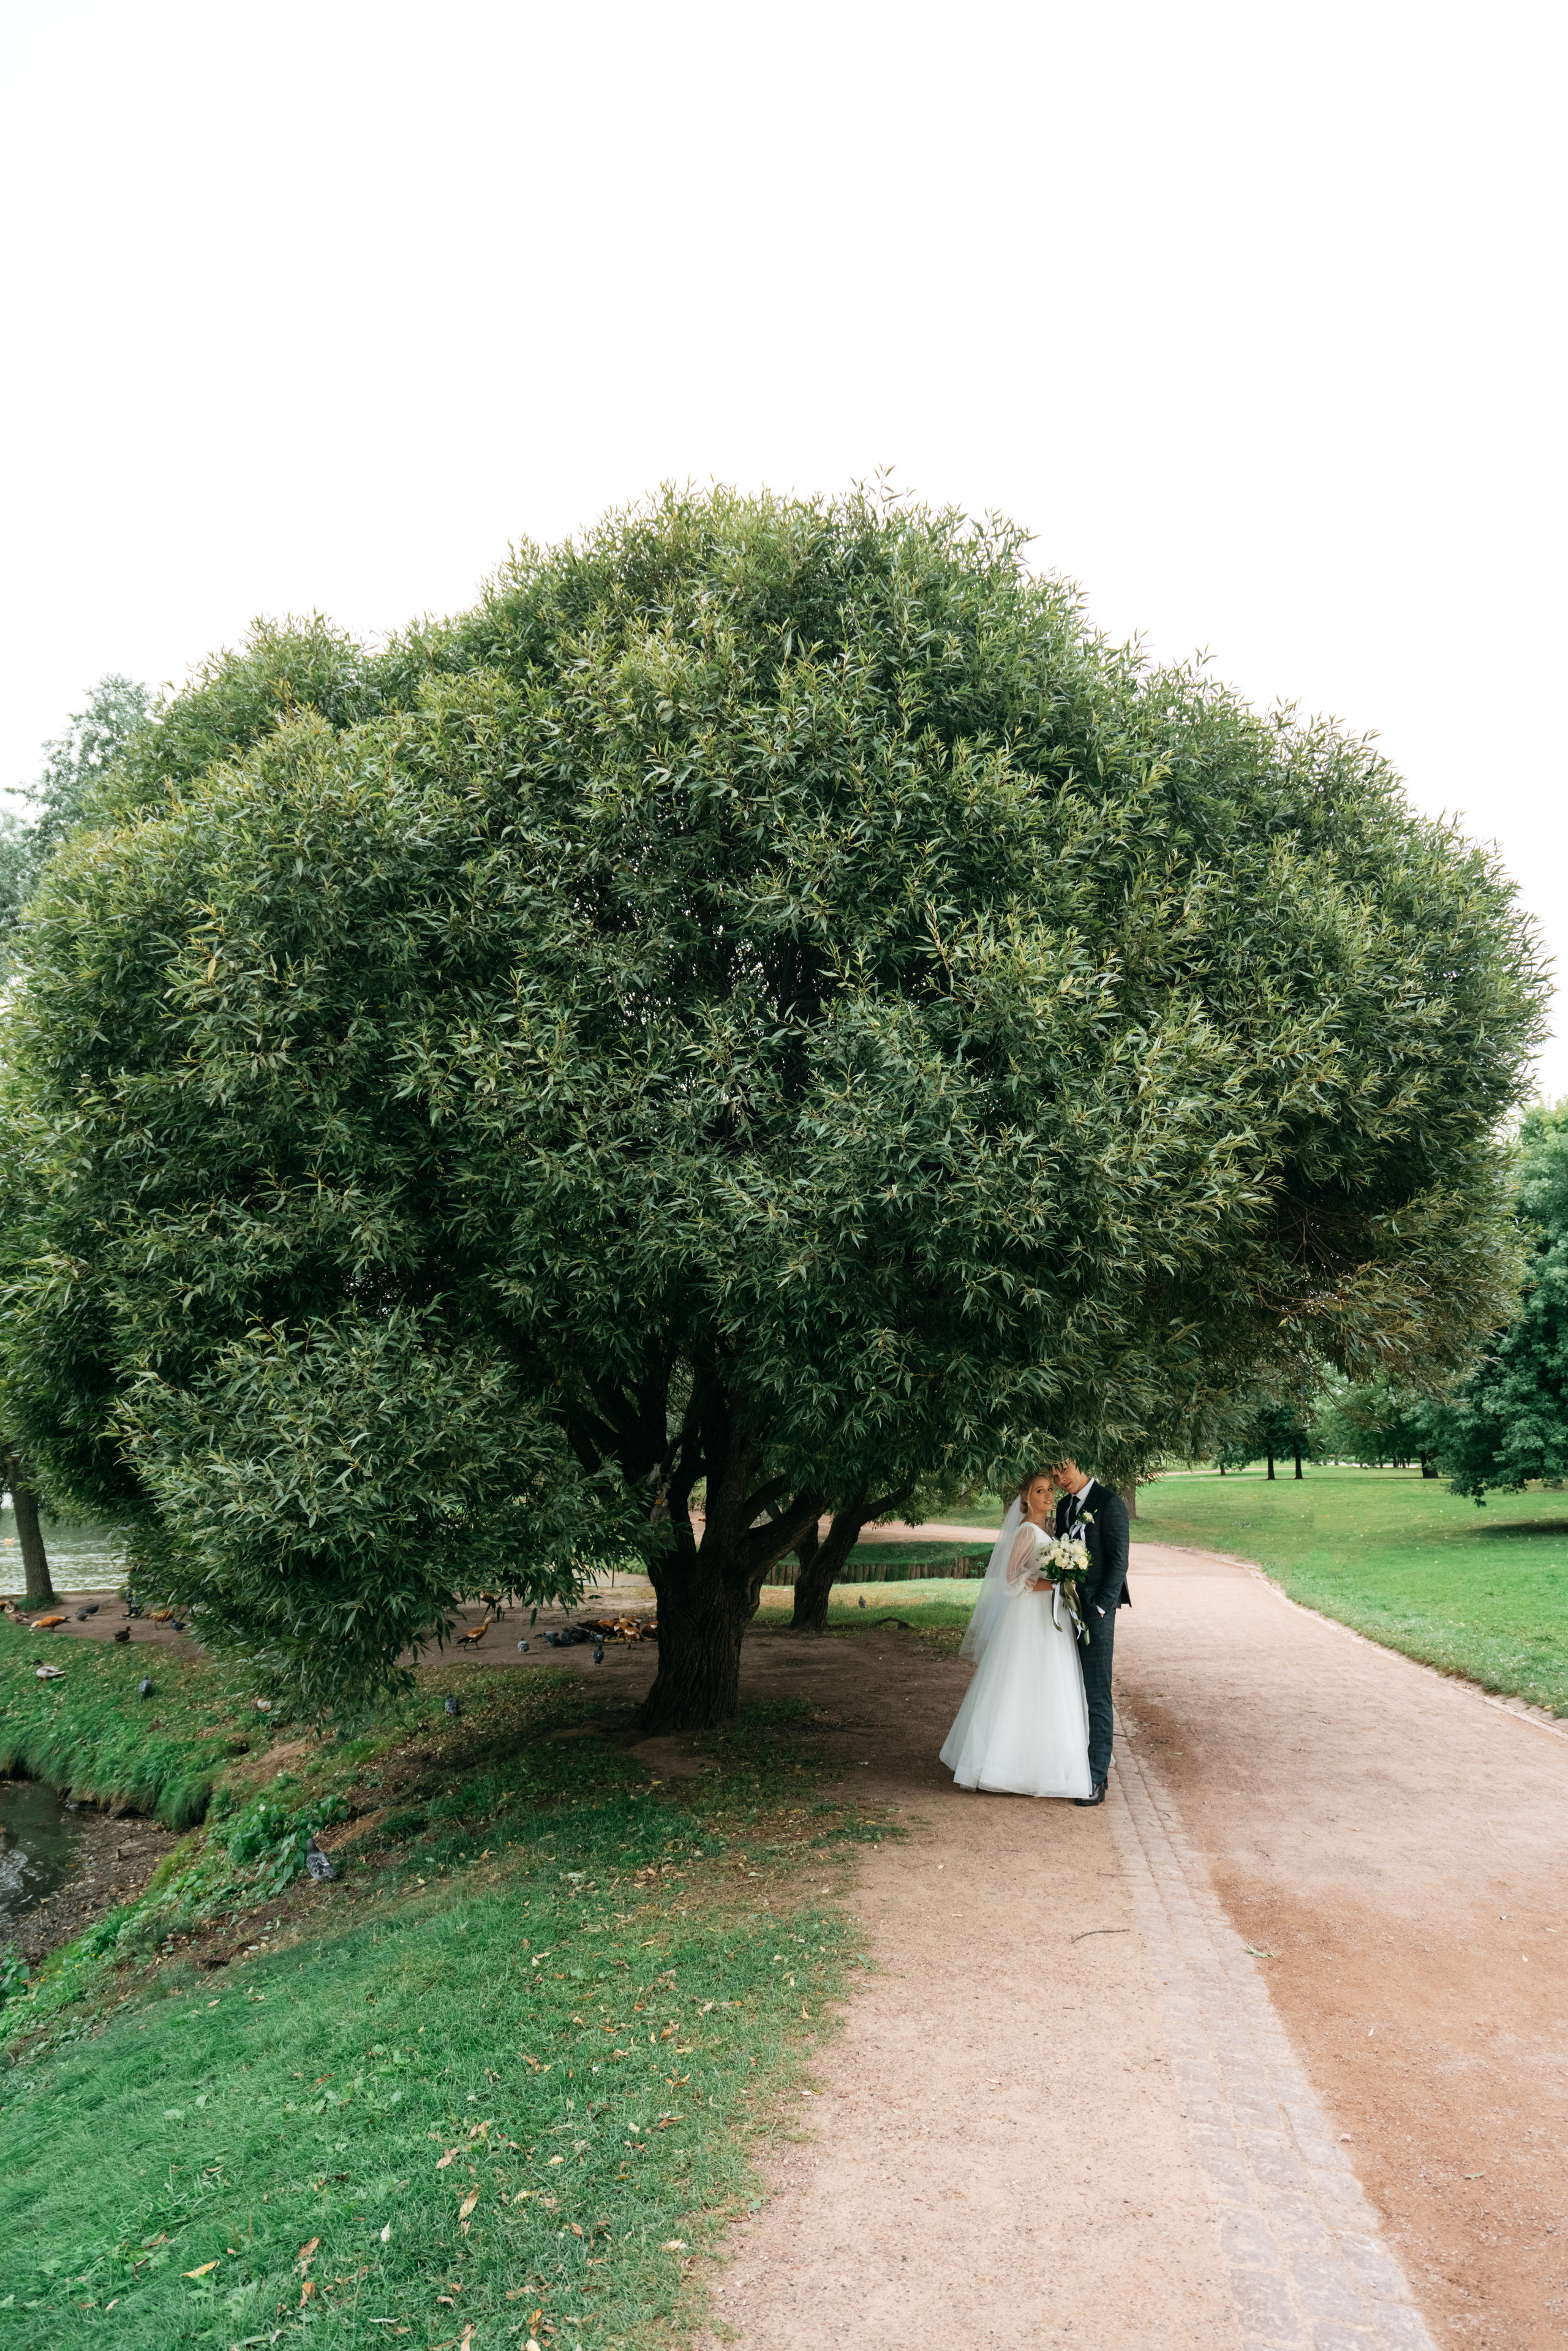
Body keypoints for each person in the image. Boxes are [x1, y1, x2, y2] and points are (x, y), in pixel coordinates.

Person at [938, 1472, 1093, 1800]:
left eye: (1051, 1489)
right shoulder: (1026, 1531)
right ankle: (1002, 1766)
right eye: (1040, 1491)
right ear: (1026, 1498)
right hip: (1028, 1619)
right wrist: (1055, 1583)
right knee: (1020, 1685)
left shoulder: (1047, 1530)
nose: (1049, 1495)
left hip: (1050, 1619)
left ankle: (1040, 1766)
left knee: (1048, 1687)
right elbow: (1010, 1581)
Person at [1051, 1460, 1131, 1807]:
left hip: (1097, 1612)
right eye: (1054, 1476)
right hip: (1067, 1609)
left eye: (1064, 1471)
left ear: (1081, 1464)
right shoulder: (1064, 1506)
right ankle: (1070, 1765)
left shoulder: (1110, 1503)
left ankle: (1097, 1777)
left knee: (1098, 1693)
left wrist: (1101, 1607)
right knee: (1070, 1688)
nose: (1060, 1480)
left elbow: (1119, 1560)